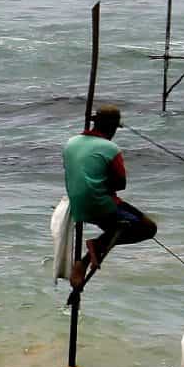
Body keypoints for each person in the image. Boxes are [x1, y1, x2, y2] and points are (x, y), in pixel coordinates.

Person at [61, 102, 156, 288]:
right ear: (112, 128)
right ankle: (91, 251)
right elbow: (120, 184)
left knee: (119, 226)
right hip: (101, 204)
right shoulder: (110, 148)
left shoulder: (71, 143)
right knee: (148, 228)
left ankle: (88, 258)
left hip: (77, 206)